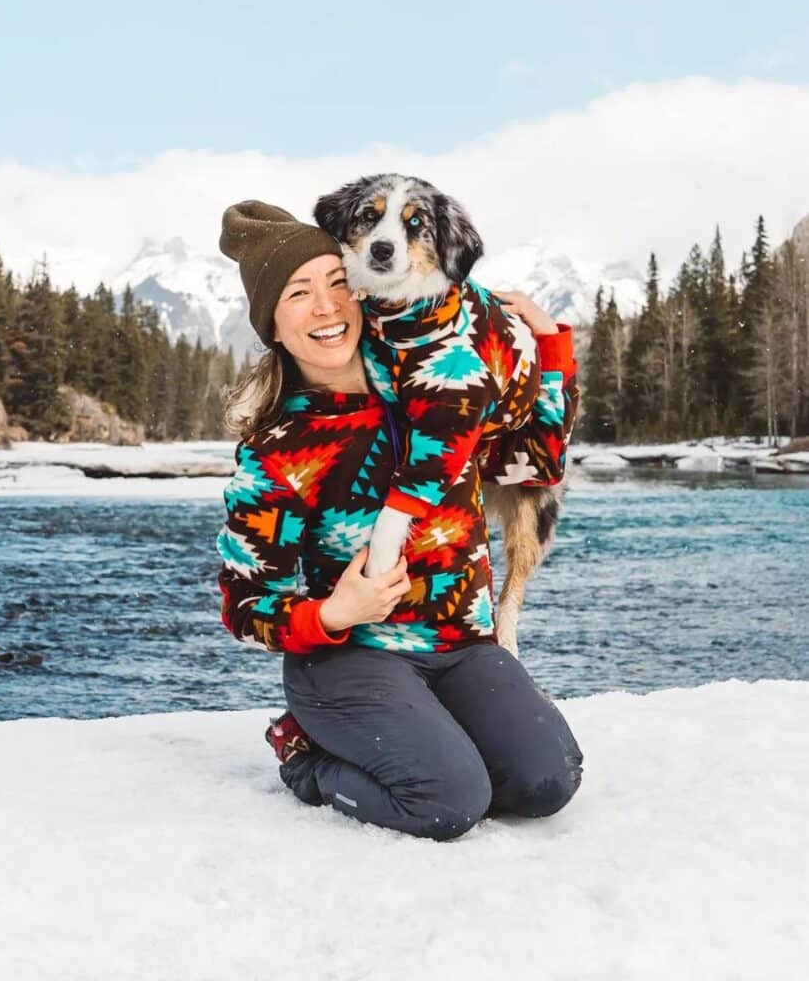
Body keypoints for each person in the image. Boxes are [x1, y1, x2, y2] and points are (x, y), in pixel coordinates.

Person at [216, 200, 583, 840]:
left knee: (547, 780)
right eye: (300, 294)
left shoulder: (437, 383)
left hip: (460, 647)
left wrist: (548, 351)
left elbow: (533, 468)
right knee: (447, 801)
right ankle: (307, 757)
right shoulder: (278, 450)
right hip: (349, 659)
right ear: (271, 323)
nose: (327, 307)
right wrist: (334, 613)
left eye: (338, 282)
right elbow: (246, 606)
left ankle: (432, 726)